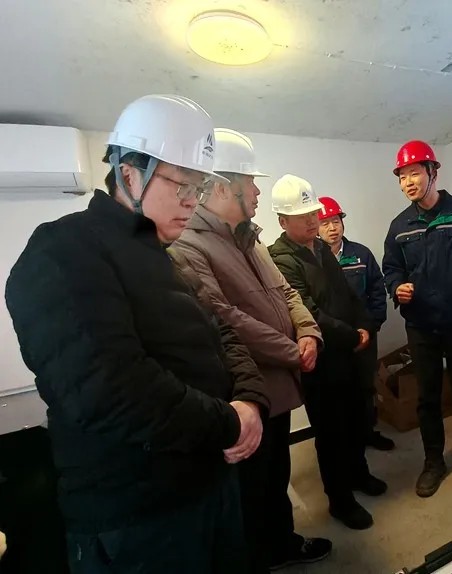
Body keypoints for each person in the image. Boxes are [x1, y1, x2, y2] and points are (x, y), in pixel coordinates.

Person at [4, 95, 264, 574]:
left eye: (202, 187)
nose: (193, 201)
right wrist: (230, 423)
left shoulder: (168, 259)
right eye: (182, 184)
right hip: (138, 521)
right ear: (129, 174)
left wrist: (249, 400)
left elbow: (222, 332)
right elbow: (109, 389)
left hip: (208, 486)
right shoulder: (64, 250)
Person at [168, 129, 332, 571]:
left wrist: (308, 333)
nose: (259, 192)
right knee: (253, 485)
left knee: (275, 473)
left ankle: (281, 543)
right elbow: (224, 318)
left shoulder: (249, 239)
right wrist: (293, 352)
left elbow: (286, 293)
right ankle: (262, 553)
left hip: (279, 382)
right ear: (223, 188)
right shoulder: (188, 246)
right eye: (251, 183)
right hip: (248, 391)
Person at [268, 175, 386, 531]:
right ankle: (340, 500)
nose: (312, 220)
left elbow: (348, 295)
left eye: (313, 213)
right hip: (321, 361)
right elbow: (308, 312)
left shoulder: (320, 248)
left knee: (356, 421)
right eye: (302, 215)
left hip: (349, 354)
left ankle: (358, 474)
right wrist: (352, 336)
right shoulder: (280, 259)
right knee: (331, 433)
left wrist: (364, 326)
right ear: (282, 221)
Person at [383, 140, 452, 498]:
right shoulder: (400, 225)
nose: (408, 182)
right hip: (422, 327)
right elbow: (391, 268)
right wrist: (397, 287)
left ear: (433, 172)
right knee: (427, 399)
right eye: (402, 177)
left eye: (414, 173)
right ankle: (433, 461)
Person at [317, 196, 395, 451]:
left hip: (364, 335)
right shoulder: (313, 260)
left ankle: (367, 433)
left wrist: (371, 327)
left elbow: (377, 291)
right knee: (337, 392)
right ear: (316, 227)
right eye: (325, 223)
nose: (332, 228)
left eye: (336, 221)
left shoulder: (360, 254)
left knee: (365, 387)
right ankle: (346, 440)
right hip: (332, 340)